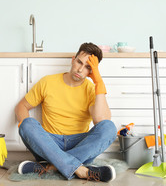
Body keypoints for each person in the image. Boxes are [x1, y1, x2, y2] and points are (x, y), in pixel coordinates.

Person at [15, 42, 117, 182]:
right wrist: (29, 132)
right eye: (79, 62)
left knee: (109, 127)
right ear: (73, 60)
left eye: (87, 67)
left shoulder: (91, 89)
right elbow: (21, 106)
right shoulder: (47, 82)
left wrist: (98, 82)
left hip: (79, 144)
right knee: (27, 124)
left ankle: (52, 167)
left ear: (92, 71)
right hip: (50, 143)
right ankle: (80, 169)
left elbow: (101, 121)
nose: (80, 69)